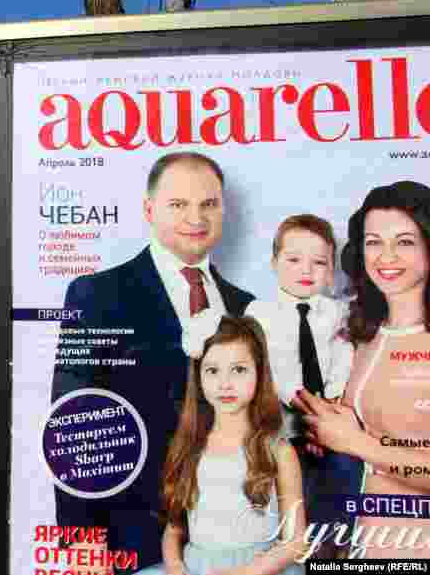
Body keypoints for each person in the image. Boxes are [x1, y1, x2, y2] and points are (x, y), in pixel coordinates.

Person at [52, 152, 254, 569]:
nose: (195, 217)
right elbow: (73, 421)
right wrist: (81, 539)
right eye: (178, 204)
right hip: (133, 539)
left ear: (223, 211)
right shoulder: (96, 295)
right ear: (149, 209)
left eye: (208, 204)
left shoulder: (248, 308)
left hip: (234, 539)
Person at [295, 180, 430, 559]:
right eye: (374, 242)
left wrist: (356, 443)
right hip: (357, 546)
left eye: (405, 241)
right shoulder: (357, 333)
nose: (386, 256)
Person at [134, 314, 306, 575]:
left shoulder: (279, 451)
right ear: (199, 378)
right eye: (213, 370)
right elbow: (174, 529)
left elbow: (296, 542)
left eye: (239, 369)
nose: (225, 384)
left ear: (259, 373)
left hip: (259, 570)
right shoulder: (190, 447)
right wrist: (176, 567)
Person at [244, 215, 361, 548]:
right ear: (274, 263)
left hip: (327, 417)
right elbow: (267, 370)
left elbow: (343, 357)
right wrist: (307, 412)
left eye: (319, 262)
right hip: (283, 421)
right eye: (294, 260)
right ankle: (290, 548)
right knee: (290, 492)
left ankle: (334, 546)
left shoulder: (336, 313)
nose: (306, 271)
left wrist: (330, 405)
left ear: (331, 268)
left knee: (339, 480)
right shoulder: (260, 313)